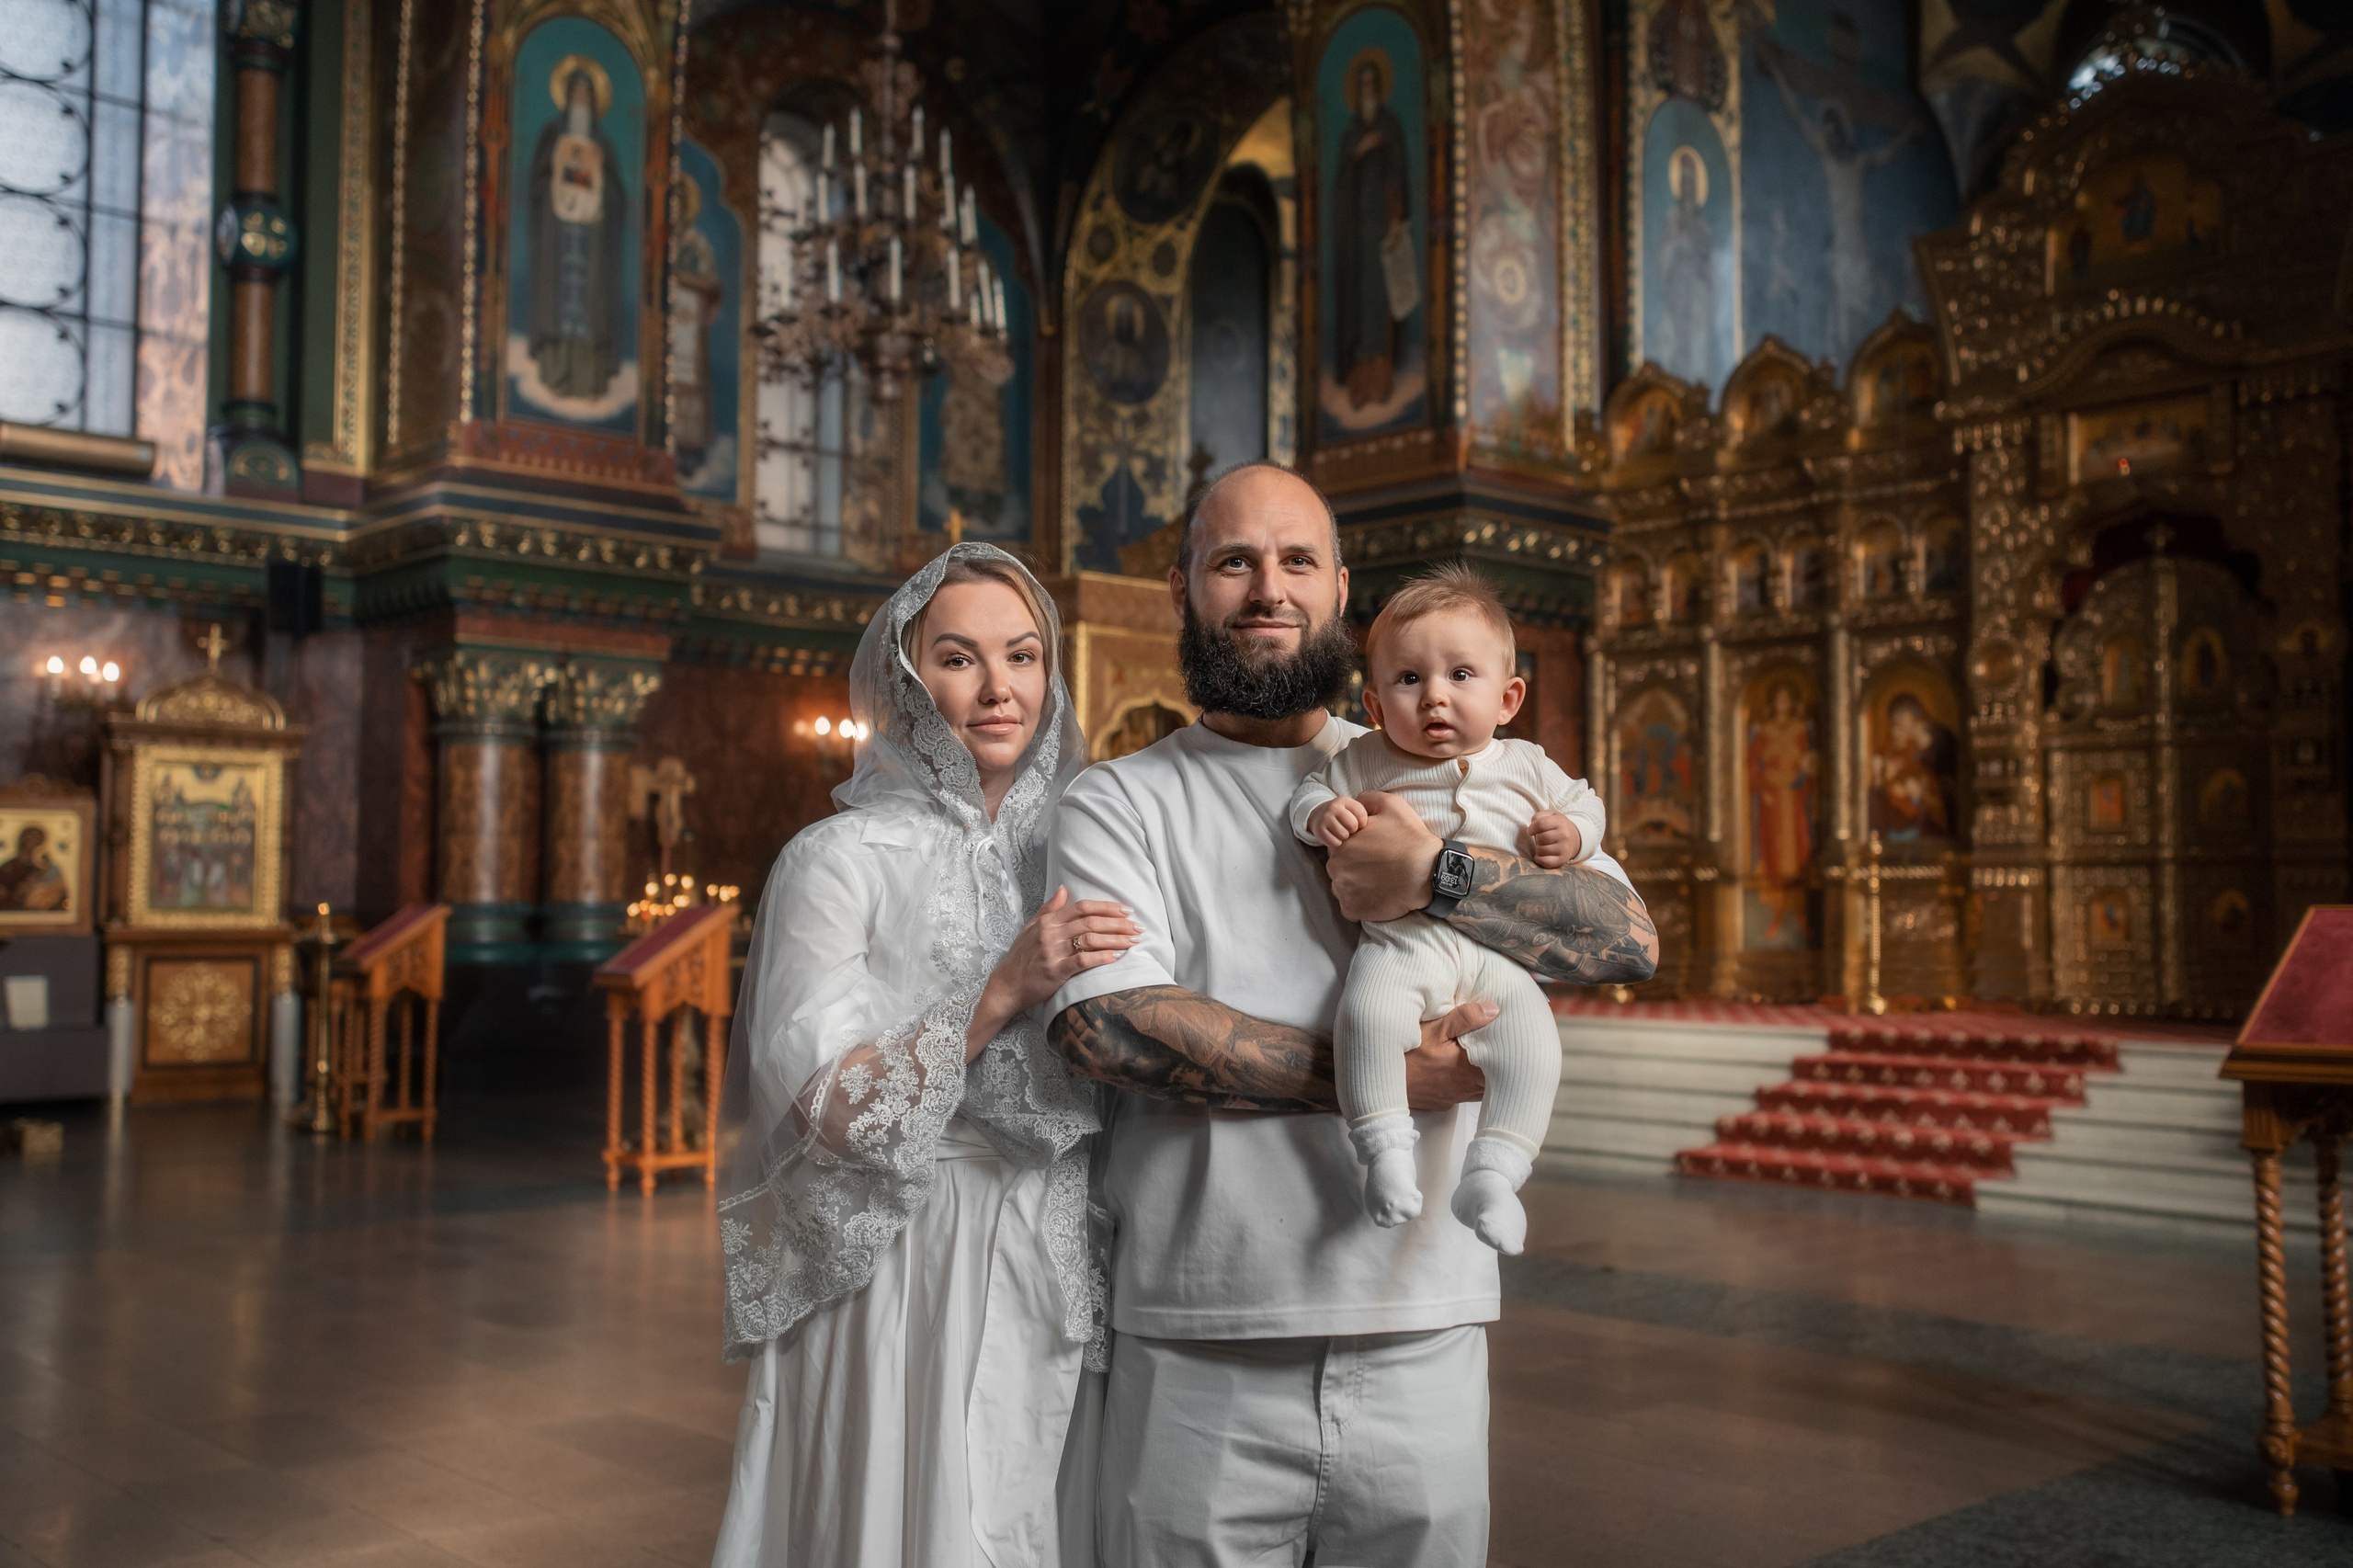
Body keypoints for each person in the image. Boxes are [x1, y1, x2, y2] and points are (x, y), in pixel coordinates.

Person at [1044, 462, 1658, 1566]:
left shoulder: (1459, 758)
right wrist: (1384, 1078)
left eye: (1295, 562)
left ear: (1340, 589)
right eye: (1232, 561)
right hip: (1201, 1333)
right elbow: (1109, 1025)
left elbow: (1625, 940)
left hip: (1424, 1317)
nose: (1266, 588)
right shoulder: (1119, 797)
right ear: (1182, 592)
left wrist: (1444, 876)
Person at [711, 542, 1141, 1568]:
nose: (999, 688)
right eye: (958, 658)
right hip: (906, 1259)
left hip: (1061, 1239)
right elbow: (825, 1103)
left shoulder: (1095, 844)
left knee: (1042, 1504)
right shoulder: (836, 860)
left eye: (1023, 655)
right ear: (908, 679)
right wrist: (998, 991)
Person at [1289, 565, 1610, 1252]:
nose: (1434, 696)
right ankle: (1384, 1151)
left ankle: (1495, 1172)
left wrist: (1575, 833)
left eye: (1461, 675)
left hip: (1500, 955)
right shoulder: (1366, 759)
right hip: (1403, 946)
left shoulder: (1526, 765)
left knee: (1532, 1045)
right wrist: (1325, 815)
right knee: (1368, 1016)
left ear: (1508, 697)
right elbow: (1308, 794)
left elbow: (1587, 804)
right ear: (1374, 707)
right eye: (1409, 680)